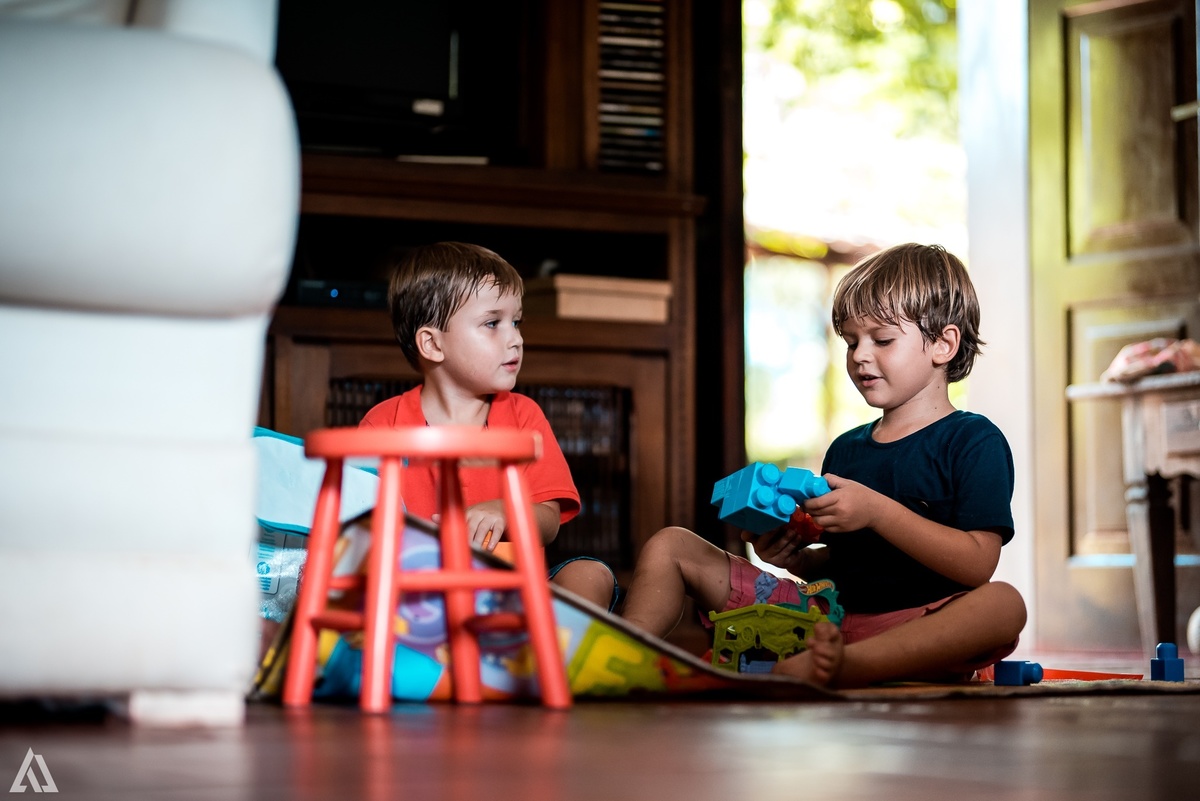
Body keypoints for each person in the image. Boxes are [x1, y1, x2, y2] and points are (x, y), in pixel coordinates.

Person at [618, 242, 1027, 688]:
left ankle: (851, 667)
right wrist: (797, 561)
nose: (859, 355)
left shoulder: (973, 440)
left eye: (882, 340)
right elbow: (848, 568)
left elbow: (977, 565)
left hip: (915, 632)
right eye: (852, 341)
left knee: (1004, 605)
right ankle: (621, 658)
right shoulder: (846, 450)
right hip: (824, 622)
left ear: (944, 344)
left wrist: (877, 511)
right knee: (672, 544)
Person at [359, 241, 619, 611]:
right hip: (423, 596)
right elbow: (359, 531)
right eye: (492, 323)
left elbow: (548, 519)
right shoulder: (382, 425)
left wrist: (506, 509)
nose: (515, 338)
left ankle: (560, 662)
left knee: (591, 574)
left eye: (516, 322)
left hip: (514, 592)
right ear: (432, 344)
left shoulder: (523, 415)